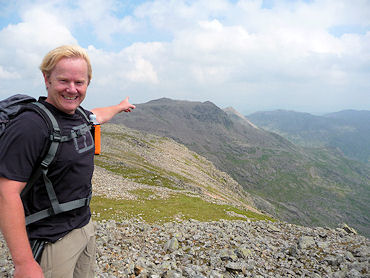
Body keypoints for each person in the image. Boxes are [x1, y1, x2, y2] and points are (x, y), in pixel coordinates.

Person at [0, 45, 136, 278]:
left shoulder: (80, 115)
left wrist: (119, 107)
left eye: (79, 83)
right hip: (51, 240)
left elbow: (98, 114)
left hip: (83, 227)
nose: (72, 89)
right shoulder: (31, 126)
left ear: (87, 83)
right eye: (64, 81)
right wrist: (23, 263)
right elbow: (6, 193)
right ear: (47, 79)